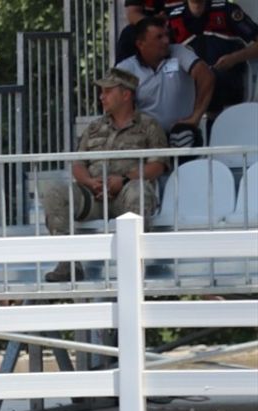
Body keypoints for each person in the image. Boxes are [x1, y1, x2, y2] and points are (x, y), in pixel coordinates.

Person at [41, 68, 169, 281]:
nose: (102, 96)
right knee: (56, 192)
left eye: (108, 91)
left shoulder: (148, 126)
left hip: (126, 194)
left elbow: (158, 166)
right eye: (102, 91)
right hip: (94, 196)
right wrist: (90, 182)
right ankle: (68, 264)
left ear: (126, 95)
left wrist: (125, 180)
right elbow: (78, 164)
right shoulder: (94, 127)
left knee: (140, 191)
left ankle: (132, 267)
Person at [117, 16, 216, 146]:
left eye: (167, 35)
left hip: (182, 132)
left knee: (183, 137)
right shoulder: (126, 68)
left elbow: (206, 76)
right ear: (140, 44)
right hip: (146, 136)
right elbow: (112, 100)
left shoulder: (179, 52)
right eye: (159, 37)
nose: (166, 41)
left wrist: (195, 117)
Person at [166, 0, 258, 113]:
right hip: (190, 90)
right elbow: (163, 55)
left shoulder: (226, 10)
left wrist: (234, 58)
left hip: (227, 86)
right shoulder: (174, 18)